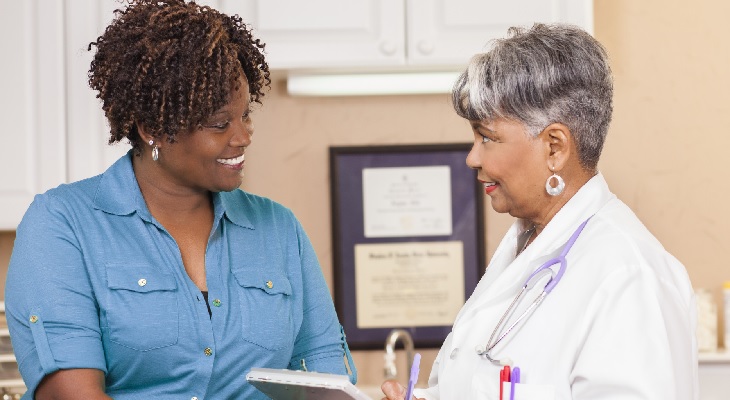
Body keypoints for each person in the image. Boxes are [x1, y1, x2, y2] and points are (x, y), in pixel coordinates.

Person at [5, 1, 355, 399]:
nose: (242, 137)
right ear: (153, 128)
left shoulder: (278, 227)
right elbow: (70, 395)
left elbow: (326, 377)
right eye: (220, 123)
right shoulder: (62, 224)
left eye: (246, 116)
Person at [381, 23, 697, 400]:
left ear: (554, 148)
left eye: (488, 137)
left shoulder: (630, 277)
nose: (472, 158)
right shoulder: (526, 248)